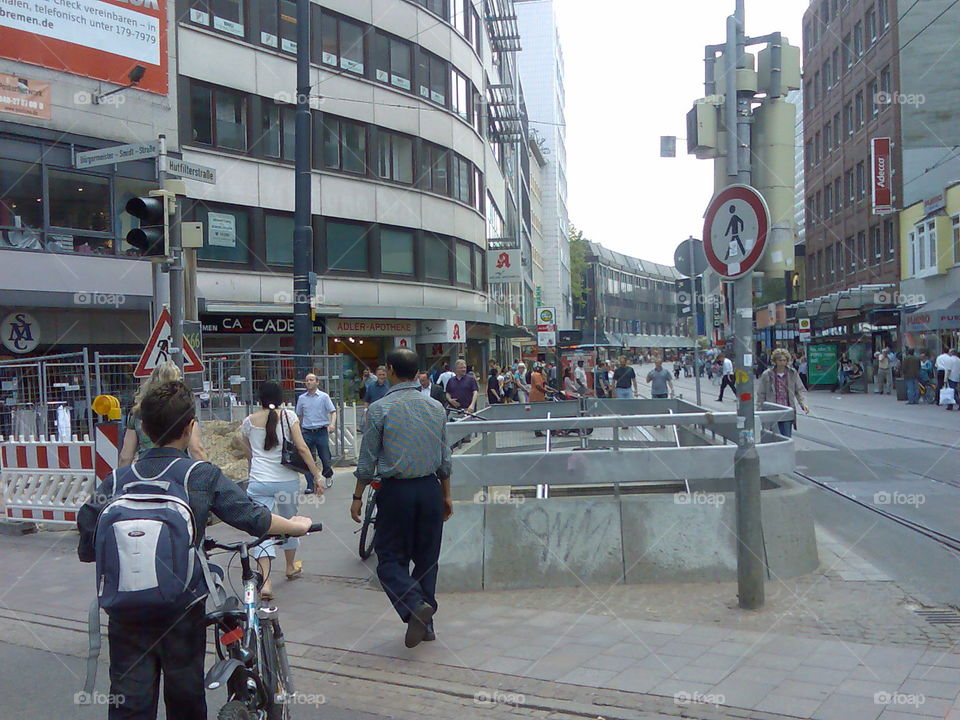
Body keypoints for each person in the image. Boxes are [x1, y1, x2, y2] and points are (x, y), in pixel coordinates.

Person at [77, 381, 312, 720]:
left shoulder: (117, 480)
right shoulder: (198, 475)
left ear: (143, 428)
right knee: (185, 696)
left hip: (125, 608)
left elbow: (87, 539)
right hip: (181, 607)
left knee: (129, 701)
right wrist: (295, 525)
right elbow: (251, 517)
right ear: (189, 429)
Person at [351, 349, 453, 648]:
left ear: (392, 370)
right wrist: (447, 495)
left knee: (389, 559)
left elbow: (367, 459)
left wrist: (358, 496)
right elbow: (444, 457)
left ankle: (412, 604)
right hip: (430, 489)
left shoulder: (380, 409)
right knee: (426, 559)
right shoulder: (436, 407)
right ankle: (427, 624)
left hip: (396, 493)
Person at [241, 382, 323, 599]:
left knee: (262, 527)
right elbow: (303, 448)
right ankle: (289, 566)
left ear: (259, 398)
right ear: (281, 398)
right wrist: (316, 475)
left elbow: (248, 450)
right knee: (290, 522)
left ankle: (266, 581)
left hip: (258, 482)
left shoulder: (248, 422)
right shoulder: (289, 417)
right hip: (286, 481)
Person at [119, 361, 207, 467]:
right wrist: (210, 476)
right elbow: (196, 449)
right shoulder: (184, 412)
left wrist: (121, 479)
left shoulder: (139, 413)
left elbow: (126, 456)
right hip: (177, 470)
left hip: (144, 470)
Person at [295, 372, 336, 493]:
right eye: (307, 380)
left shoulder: (324, 397)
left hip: (321, 430)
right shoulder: (302, 398)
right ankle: (310, 484)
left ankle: (328, 474)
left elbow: (333, 411)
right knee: (307, 457)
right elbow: (298, 415)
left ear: (317, 382)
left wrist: (332, 424)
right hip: (307, 431)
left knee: (325, 456)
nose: (309, 382)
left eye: (311, 380)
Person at [756, 348, 809, 437]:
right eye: (780, 360)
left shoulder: (792, 373)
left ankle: (786, 450)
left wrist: (803, 404)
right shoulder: (767, 374)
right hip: (772, 410)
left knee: (786, 436)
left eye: (784, 360)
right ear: (775, 361)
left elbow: (799, 390)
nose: (782, 362)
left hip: (787, 410)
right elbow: (761, 393)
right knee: (775, 436)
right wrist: (759, 410)